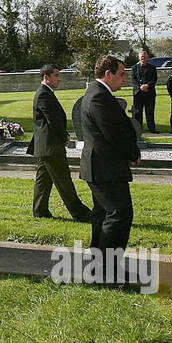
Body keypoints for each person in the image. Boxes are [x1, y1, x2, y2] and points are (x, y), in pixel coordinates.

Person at [73, 54, 141, 256]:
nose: (124, 79)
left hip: (102, 166)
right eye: (121, 74)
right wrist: (132, 153)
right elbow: (113, 133)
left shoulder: (98, 93)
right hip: (105, 167)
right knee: (119, 215)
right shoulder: (98, 97)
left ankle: (99, 263)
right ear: (108, 73)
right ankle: (108, 268)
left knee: (103, 215)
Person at [30, 63, 93, 221]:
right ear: (47, 77)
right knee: (64, 180)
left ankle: (40, 210)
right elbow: (52, 120)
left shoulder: (46, 92)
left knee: (43, 181)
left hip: (46, 146)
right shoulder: (44, 94)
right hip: (50, 145)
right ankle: (80, 213)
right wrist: (64, 135)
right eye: (56, 76)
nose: (60, 79)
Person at [130, 49, 158, 134]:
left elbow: (154, 79)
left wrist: (147, 85)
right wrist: (140, 87)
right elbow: (133, 80)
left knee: (150, 111)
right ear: (139, 58)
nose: (143, 58)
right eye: (141, 57)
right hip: (138, 93)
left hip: (149, 92)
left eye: (144, 57)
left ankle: (152, 129)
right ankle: (139, 129)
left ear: (147, 58)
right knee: (138, 112)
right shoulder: (134, 68)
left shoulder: (152, 68)